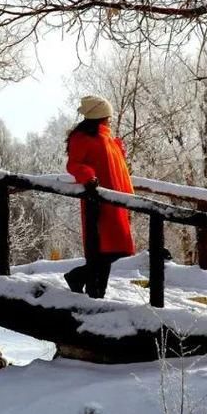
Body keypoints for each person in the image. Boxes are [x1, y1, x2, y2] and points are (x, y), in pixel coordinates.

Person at [63, 95, 135, 298]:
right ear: (100, 116)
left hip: (116, 200)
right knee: (104, 248)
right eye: (107, 116)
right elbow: (74, 165)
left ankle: (92, 288)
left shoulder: (107, 137)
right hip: (99, 200)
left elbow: (115, 168)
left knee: (116, 248)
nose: (110, 120)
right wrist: (88, 176)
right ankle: (87, 284)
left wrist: (119, 151)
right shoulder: (83, 137)